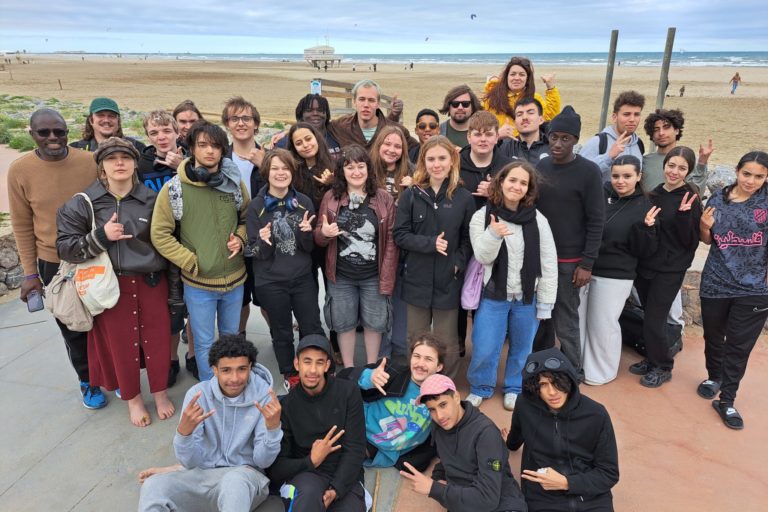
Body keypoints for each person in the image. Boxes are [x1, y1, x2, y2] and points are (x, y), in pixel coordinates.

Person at [56, 137, 174, 426]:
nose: (119, 163)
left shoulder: (153, 199)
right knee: (121, 346)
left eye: (125, 157)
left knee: (158, 342)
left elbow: (169, 244)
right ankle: (132, 399)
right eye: (111, 158)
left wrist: (175, 291)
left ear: (135, 163)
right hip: (109, 286)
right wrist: (100, 237)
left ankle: (160, 394)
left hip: (150, 280)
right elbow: (65, 246)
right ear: (101, 166)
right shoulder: (84, 203)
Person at [7, 108, 104, 409]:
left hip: (95, 255)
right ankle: (88, 381)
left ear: (67, 132)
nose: (52, 138)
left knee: (104, 323)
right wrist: (30, 275)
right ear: (32, 134)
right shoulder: (20, 171)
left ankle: (110, 374)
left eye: (59, 131)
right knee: (73, 326)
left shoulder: (90, 162)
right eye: (44, 132)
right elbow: (22, 225)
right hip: (54, 264)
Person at [151, 120, 249, 383]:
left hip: (235, 280)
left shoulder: (234, 183)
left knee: (231, 340)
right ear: (191, 148)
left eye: (216, 146)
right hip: (199, 283)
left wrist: (240, 238)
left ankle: (232, 387)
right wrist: (190, 261)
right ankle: (210, 391)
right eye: (203, 145)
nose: (210, 151)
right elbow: (159, 233)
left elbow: (247, 218)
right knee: (205, 343)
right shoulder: (174, 189)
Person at [138, 334, 283, 512]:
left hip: (245, 477)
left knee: (234, 482)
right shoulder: (198, 395)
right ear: (214, 370)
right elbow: (190, 462)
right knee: (154, 485)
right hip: (203, 475)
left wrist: (273, 429)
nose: (235, 378)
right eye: (226, 370)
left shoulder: (265, 397)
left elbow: (263, 461)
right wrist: (184, 434)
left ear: (251, 367)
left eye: (242, 369)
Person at [466, 161, 558, 410]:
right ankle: (481, 387)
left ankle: (514, 387)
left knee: (522, 348)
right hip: (493, 294)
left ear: (528, 189)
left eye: (523, 183)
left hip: (527, 297)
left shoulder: (537, 219)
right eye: (512, 180)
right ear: (501, 182)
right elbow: (483, 257)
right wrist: (494, 234)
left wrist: (546, 303)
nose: (517, 186)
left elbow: (548, 261)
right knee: (485, 346)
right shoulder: (482, 216)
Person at [393, 136, 476, 379]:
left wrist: (457, 265)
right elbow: (400, 234)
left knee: (445, 340)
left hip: (447, 280)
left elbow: (467, 240)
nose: (436, 164)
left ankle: (443, 385)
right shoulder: (411, 195)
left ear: (452, 161)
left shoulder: (463, 198)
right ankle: (415, 384)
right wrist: (430, 243)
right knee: (416, 337)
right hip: (416, 278)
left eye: (442, 158)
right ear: (423, 162)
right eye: (431, 159)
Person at [697, 151, 768, 430]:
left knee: (739, 346)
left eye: (759, 176)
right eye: (746, 174)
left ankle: (727, 399)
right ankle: (714, 376)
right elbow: (707, 240)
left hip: (755, 288)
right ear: (737, 171)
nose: (751, 181)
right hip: (716, 281)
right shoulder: (718, 198)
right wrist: (704, 227)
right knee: (714, 335)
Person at [535, 106, 605, 380]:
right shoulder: (541, 166)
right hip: (540, 257)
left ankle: (572, 370)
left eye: (565, 138)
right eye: (554, 137)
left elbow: (596, 220)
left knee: (566, 318)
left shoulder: (588, 172)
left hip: (569, 262)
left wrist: (586, 263)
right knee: (541, 318)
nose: (558, 144)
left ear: (576, 140)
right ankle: (541, 366)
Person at [504, 348, 619, 512]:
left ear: (569, 380)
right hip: (543, 496)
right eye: (543, 384)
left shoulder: (596, 414)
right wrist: (510, 442)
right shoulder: (525, 405)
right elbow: (515, 437)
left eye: (557, 382)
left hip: (591, 496)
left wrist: (566, 483)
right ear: (534, 388)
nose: (552, 392)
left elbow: (609, 473)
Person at [246, 149, 324, 390]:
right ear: (266, 173)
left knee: (312, 325)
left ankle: (318, 368)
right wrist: (264, 241)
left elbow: (309, 248)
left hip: (301, 278)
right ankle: (290, 373)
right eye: (275, 168)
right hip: (270, 282)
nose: (281, 173)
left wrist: (305, 233)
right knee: (281, 332)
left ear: (293, 172)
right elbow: (254, 253)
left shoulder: (304, 202)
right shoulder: (256, 206)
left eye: (285, 168)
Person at [314, 144, 398, 367]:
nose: (356, 172)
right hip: (341, 276)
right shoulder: (331, 198)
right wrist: (324, 233)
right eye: (349, 167)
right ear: (341, 171)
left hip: (373, 275)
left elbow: (391, 241)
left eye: (361, 166)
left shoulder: (383, 198)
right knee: (344, 323)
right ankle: (349, 369)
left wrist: (387, 278)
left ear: (369, 169)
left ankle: (371, 367)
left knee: (374, 323)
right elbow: (318, 237)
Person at [579, 156, 658, 385]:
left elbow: (645, 250)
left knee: (603, 324)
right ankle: (582, 364)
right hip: (587, 269)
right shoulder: (602, 197)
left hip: (616, 274)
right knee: (581, 320)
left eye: (627, 176)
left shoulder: (646, 206)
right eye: (616, 176)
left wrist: (647, 229)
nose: (620, 181)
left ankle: (602, 371)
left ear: (638, 176)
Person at [268, 334, 367, 512]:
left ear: (327, 365)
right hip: (308, 474)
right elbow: (277, 468)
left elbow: (356, 448)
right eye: (307, 361)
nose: (312, 370)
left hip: (345, 474)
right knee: (306, 499)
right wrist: (311, 461)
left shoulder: (348, 392)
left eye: (319, 362)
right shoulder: (287, 405)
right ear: (297, 364)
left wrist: (336, 489)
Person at [400, 374, 526, 512]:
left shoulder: (486, 434)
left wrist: (434, 489)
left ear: (456, 397)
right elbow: (447, 458)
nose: (439, 416)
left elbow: (488, 499)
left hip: (501, 505)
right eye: (432, 409)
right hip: (465, 500)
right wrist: (438, 478)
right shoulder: (439, 426)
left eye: (443, 404)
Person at [630, 146, 702, 388]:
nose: (674, 171)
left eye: (681, 168)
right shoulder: (653, 194)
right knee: (647, 314)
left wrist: (683, 216)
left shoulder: (689, 198)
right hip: (646, 264)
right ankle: (651, 359)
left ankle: (663, 366)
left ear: (688, 171)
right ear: (664, 166)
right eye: (671, 166)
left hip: (670, 269)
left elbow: (690, 242)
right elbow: (645, 231)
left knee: (655, 318)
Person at [337, 332, 445, 470]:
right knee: (335, 456)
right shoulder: (392, 372)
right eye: (416, 356)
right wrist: (369, 378)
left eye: (428, 359)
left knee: (345, 462)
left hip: (383, 450)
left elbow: (455, 427)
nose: (420, 364)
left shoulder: (442, 397)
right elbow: (342, 378)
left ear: (439, 367)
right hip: (359, 428)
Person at [136, 110, 189, 387]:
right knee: (171, 308)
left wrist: (182, 165)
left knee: (193, 304)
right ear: (148, 136)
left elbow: (204, 185)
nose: (161, 137)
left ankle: (193, 353)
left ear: (176, 131)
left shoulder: (189, 157)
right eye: (154, 133)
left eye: (166, 131)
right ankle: (170, 359)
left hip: (190, 238)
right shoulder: (141, 165)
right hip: (158, 243)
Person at [221, 96, 267, 338]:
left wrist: (266, 165)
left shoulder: (270, 158)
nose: (241, 123)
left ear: (256, 124)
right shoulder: (219, 161)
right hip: (232, 239)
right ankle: (239, 340)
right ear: (227, 124)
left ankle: (280, 338)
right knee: (238, 297)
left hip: (263, 239)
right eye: (234, 118)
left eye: (246, 118)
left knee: (266, 296)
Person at [482, 56, 561, 139]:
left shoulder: (534, 98)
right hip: (497, 146)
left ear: (527, 79)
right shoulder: (492, 98)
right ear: (507, 77)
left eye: (522, 75)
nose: (517, 78)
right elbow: (480, 127)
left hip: (524, 146)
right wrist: (497, 134)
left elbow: (550, 116)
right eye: (513, 74)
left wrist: (551, 88)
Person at [642, 108, 714, 194]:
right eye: (656, 129)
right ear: (652, 135)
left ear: (676, 130)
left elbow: (697, 194)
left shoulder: (687, 159)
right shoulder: (644, 161)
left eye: (666, 127)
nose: (661, 133)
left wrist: (702, 163)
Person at [328, 79, 414, 150]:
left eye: (371, 100)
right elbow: (320, 130)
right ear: (354, 102)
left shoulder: (396, 129)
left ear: (378, 104)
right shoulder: (341, 126)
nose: (366, 105)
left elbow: (417, 149)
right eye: (361, 99)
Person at [579, 90, 645, 181]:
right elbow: (579, 173)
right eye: (626, 114)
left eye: (636, 114)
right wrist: (608, 156)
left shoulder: (638, 144)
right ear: (614, 117)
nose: (632, 119)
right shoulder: (598, 142)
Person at [459, 111, 513, 210]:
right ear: (469, 137)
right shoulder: (454, 166)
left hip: (499, 224)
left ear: (497, 137)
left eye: (488, 134)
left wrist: (497, 193)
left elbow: (521, 203)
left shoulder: (510, 168)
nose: (483, 139)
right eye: (478, 134)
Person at [274, 94, 341, 159]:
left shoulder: (337, 134)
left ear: (327, 114)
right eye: (309, 110)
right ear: (301, 115)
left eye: (320, 110)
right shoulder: (285, 142)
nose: (315, 113)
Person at [285, 121, 336, 209]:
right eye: (298, 143)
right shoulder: (291, 171)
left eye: (308, 139)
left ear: (317, 138)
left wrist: (332, 183)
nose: (305, 145)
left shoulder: (335, 167)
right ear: (294, 148)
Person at [70, 97, 145, 152]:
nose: (106, 120)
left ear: (118, 121)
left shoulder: (137, 148)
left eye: (111, 116)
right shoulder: (75, 149)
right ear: (91, 120)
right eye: (100, 115)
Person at [497, 96, 550, 165]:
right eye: (519, 114)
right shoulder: (504, 147)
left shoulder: (552, 146)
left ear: (541, 120)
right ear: (514, 122)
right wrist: (496, 136)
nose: (524, 117)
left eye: (530, 113)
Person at [370, 125, 413, 201]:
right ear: (379, 145)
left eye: (397, 146)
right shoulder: (367, 169)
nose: (392, 150)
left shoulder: (412, 171)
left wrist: (414, 187)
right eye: (387, 144)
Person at [438, 84, 481, 149]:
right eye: (455, 104)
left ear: (472, 107)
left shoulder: (484, 133)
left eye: (465, 104)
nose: (460, 107)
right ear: (448, 107)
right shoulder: (438, 132)